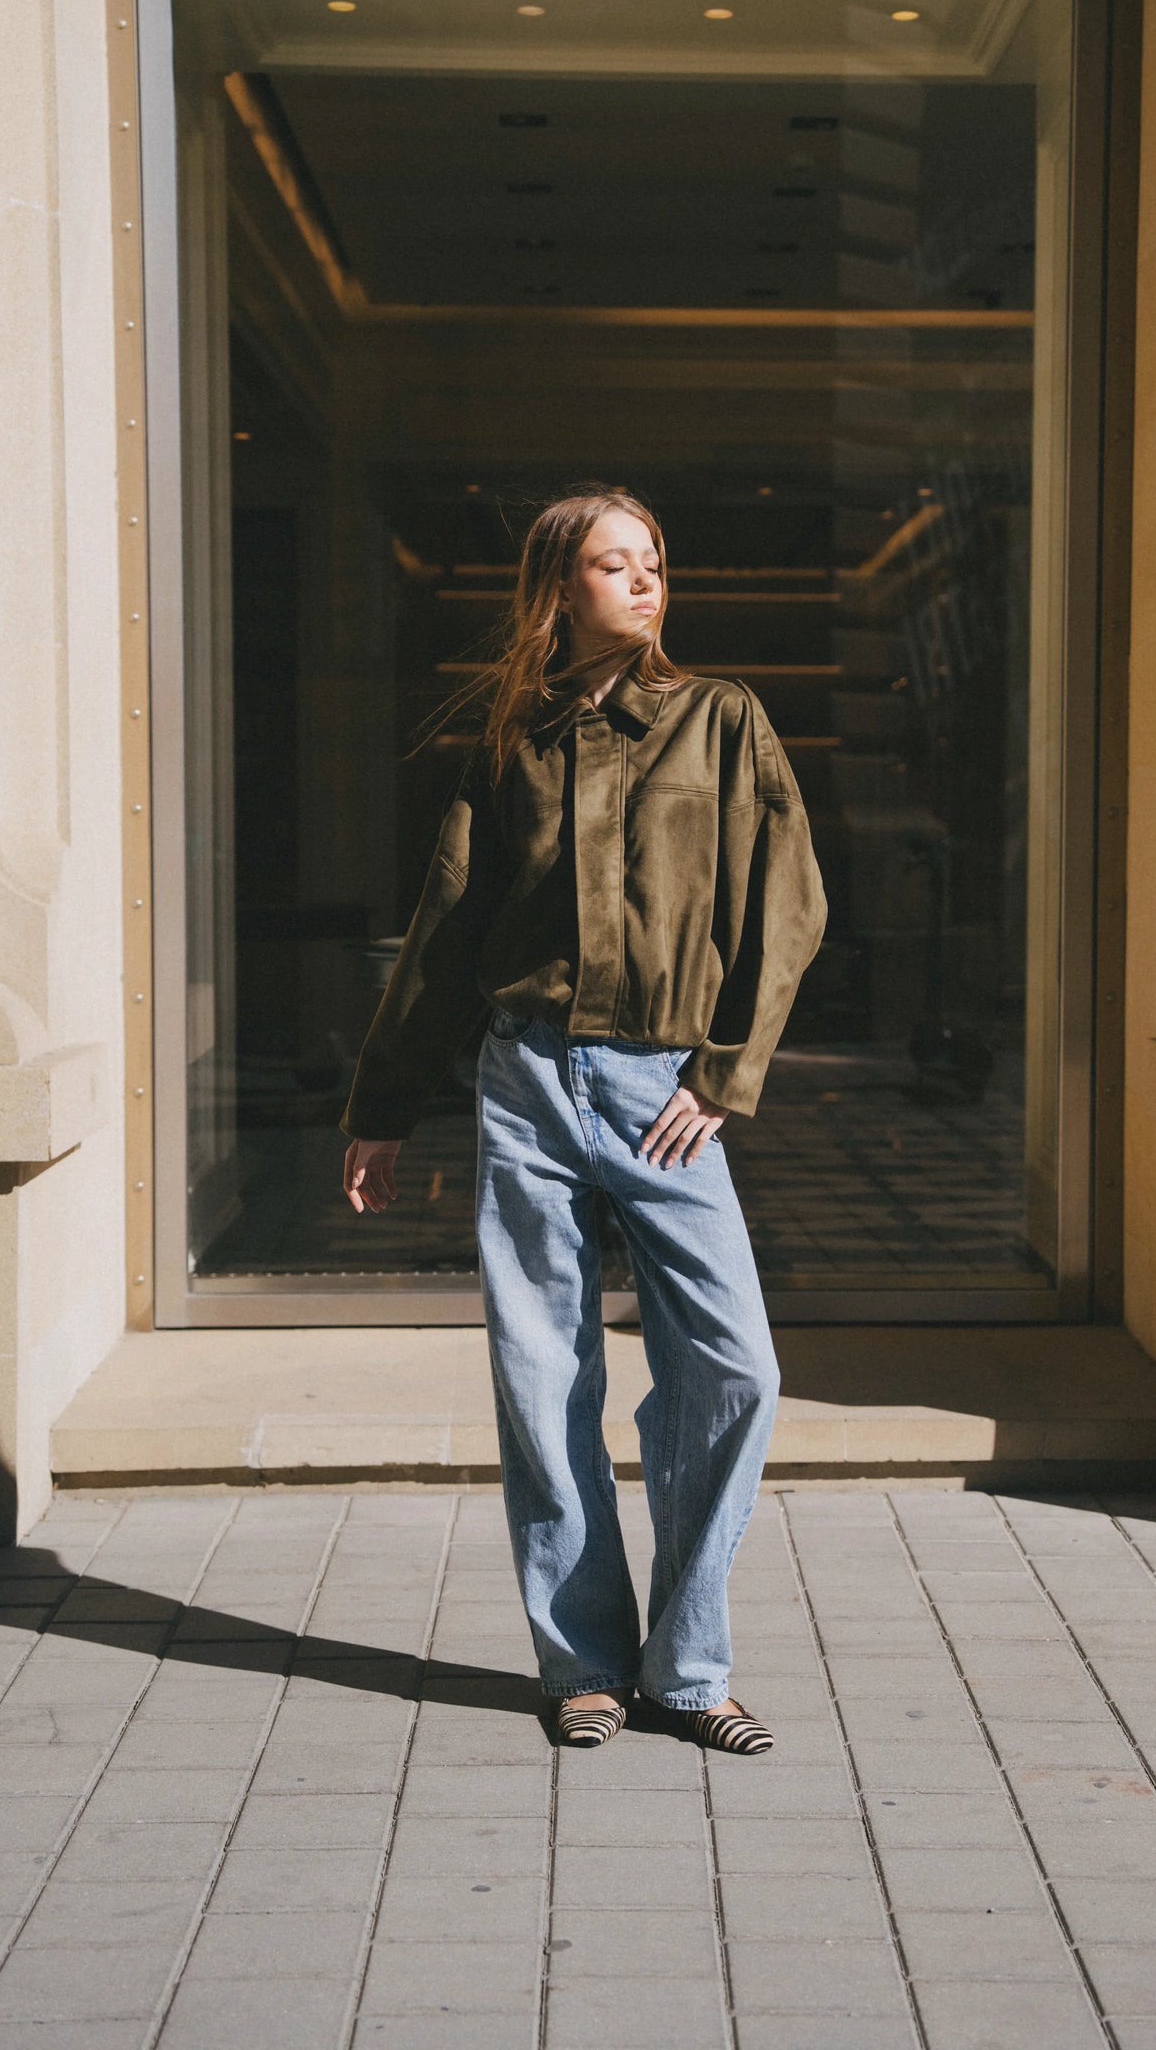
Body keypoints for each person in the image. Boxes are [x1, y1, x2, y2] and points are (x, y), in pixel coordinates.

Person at [340, 488, 826, 1754]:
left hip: (668, 1089)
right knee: (544, 1373)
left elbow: (790, 902)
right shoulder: (510, 738)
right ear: (558, 589)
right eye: (615, 565)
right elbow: (450, 925)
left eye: (654, 562)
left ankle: (689, 1658)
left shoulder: (722, 720)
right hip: (528, 1083)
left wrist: (722, 1075)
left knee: (731, 1369)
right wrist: (384, 1102)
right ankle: (581, 1663)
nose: (645, 583)